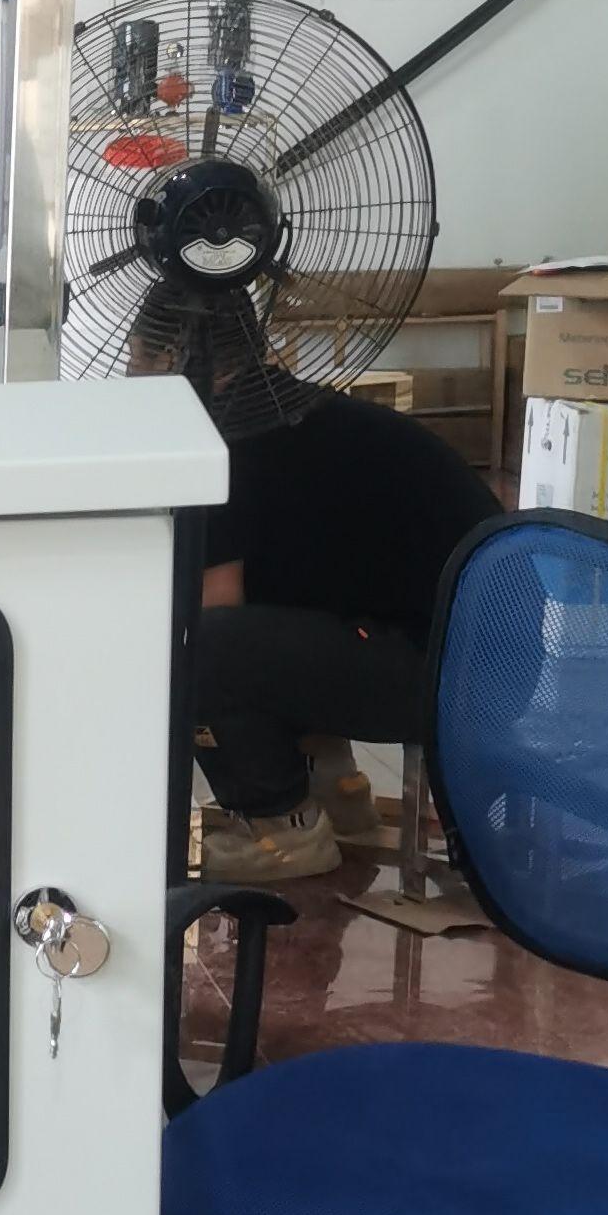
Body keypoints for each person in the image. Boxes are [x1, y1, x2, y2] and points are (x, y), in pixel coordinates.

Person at [136, 288, 499, 882]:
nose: (130, 375)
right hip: (483, 662)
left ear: (177, 355)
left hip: (452, 678)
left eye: (138, 358)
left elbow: (217, 609)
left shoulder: (229, 441)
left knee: (198, 648)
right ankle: (338, 792)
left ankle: (281, 826)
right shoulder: (299, 412)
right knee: (272, 622)